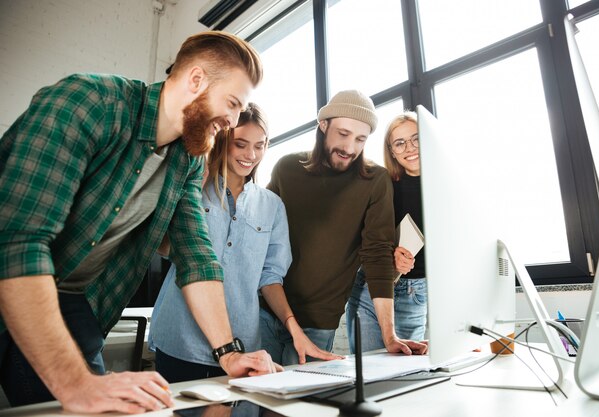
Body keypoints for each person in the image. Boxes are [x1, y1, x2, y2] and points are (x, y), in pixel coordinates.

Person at [0, 31, 280, 414]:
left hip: (71, 299)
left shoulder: (187, 160)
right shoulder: (90, 102)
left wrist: (229, 354)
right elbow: (18, 244)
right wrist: (77, 383)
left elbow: (196, 256)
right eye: (232, 103)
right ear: (196, 80)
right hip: (15, 272)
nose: (232, 121)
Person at [149, 103, 341, 382]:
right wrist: (195, 181)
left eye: (259, 146)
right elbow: (162, 246)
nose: (251, 155)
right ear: (224, 140)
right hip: (180, 335)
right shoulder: (195, 187)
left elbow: (270, 277)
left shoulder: (272, 206)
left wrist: (295, 330)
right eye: (240, 144)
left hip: (242, 342)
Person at [259, 90, 428, 365]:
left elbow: (376, 254)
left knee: (304, 407)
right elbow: (259, 236)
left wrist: (390, 335)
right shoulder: (287, 168)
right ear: (323, 125)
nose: (350, 147)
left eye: (360, 139)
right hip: (264, 311)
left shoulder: (376, 180)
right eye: (343, 134)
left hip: (319, 322)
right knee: (251, 402)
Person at [346, 111, 427, 353]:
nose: (409, 148)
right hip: (369, 288)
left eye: (416, 139)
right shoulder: (383, 184)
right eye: (399, 143)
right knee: (369, 371)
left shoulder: (444, 185)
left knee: (406, 372)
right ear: (391, 151)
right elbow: (362, 239)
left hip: (414, 291)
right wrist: (392, 255)